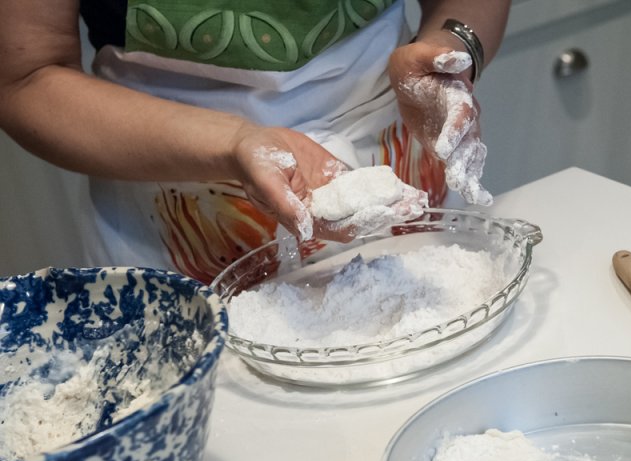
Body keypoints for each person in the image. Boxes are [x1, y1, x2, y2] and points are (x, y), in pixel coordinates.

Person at [0, 1, 511, 284]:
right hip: (184, 213)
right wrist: (235, 142)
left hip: (391, 154)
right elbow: (24, 77)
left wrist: (451, 48)